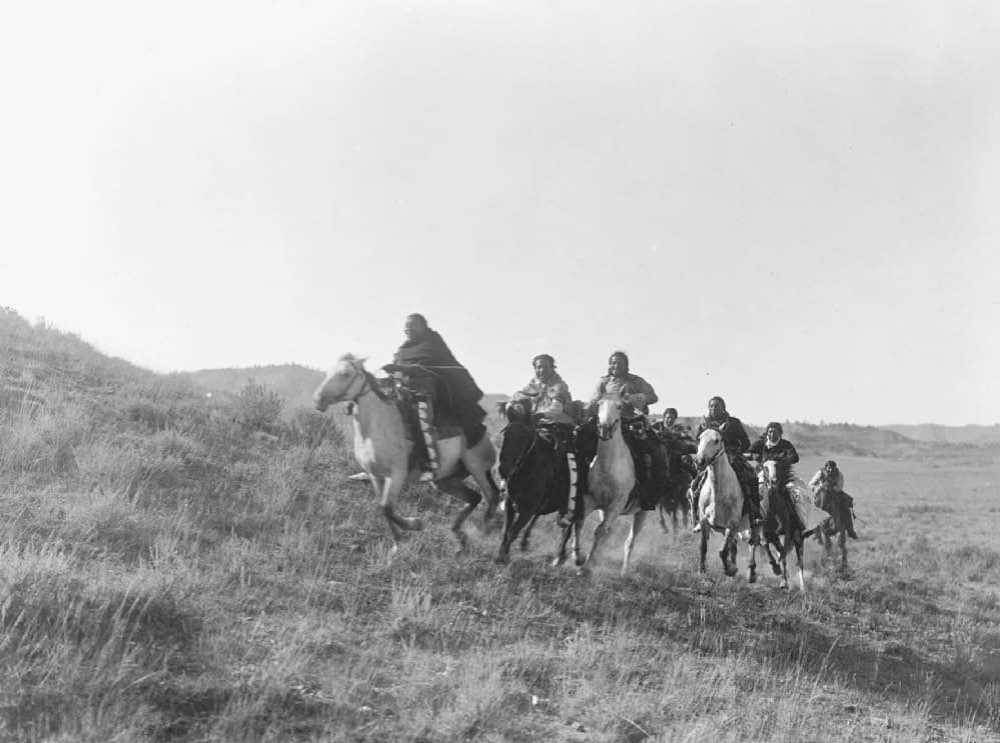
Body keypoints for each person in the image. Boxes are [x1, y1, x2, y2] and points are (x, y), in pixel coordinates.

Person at [385, 313, 487, 476]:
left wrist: (404, 369)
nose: (408, 329)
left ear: (424, 326)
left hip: (431, 391)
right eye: (406, 326)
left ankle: (424, 458)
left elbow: (430, 367)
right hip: (403, 390)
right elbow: (397, 370)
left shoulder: (433, 343)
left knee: (419, 411)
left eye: (413, 325)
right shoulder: (404, 349)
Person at [582, 351, 668, 511]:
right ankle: (580, 489)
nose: (615, 366)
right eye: (612, 363)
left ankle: (646, 494)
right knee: (580, 445)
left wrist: (636, 398)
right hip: (606, 424)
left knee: (654, 452)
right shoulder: (603, 382)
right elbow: (593, 400)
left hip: (631, 423)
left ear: (626, 366)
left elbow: (653, 396)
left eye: (619, 363)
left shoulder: (635, 381)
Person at [507, 354, 578, 524]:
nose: (540, 370)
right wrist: (512, 403)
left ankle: (566, 506)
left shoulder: (559, 385)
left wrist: (540, 414)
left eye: (544, 367)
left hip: (558, 428)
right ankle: (507, 491)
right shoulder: (534, 384)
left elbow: (556, 408)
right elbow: (520, 394)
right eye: (537, 367)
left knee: (565, 460)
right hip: (537, 427)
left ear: (552, 368)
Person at [692, 396, 761, 527]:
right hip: (709, 460)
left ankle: (755, 514)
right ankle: (698, 516)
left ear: (723, 408)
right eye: (711, 406)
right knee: (695, 485)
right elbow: (698, 441)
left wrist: (733, 450)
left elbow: (745, 442)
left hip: (732, 457)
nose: (713, 409)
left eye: (716, 406)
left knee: (751, 477)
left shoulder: (733, 423)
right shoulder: (704, 424)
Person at [748, 422, 800, 522]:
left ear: (780, 433)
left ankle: (797, 520)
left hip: (783, 475)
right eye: (770, 431)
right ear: (767, 432)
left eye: (775, 432)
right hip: (763, 473)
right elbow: (747, 453)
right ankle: (755, 516)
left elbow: (795, 457)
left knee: (796, 493)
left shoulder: (786, 444)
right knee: (754, 490)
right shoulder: (760, 443)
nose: (772, 434)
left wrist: (784, 459)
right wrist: (753, 456)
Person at [809, 460, 858, 539]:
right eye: (829, 468)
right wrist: (820, 487)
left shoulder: (839, 474)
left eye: (832, 468)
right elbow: (811, 484)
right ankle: (815, 532)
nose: (830, 470)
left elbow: (840, 486)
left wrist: (832, 488)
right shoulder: (820, 473)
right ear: (826, 467)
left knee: (846, 508)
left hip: (835, 493)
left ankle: (850, 531)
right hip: (821, 493)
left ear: (835, 468)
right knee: (812, 510)